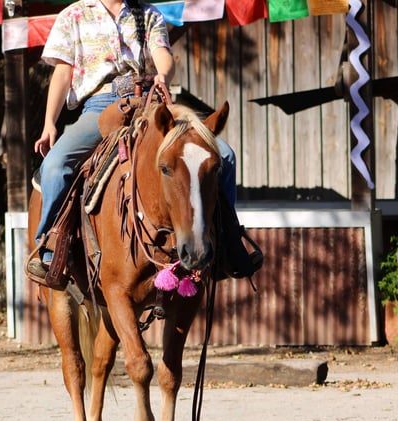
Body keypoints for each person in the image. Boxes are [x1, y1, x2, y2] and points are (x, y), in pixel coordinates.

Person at [27, 0, 242, 281]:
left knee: (223, 155)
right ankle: (50, 248)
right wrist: (48, 124)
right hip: (99, 106)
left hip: (149, 103)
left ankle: (228, 243)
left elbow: (162, 53)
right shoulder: (74, 15)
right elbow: (63, 72)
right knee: (55, 165)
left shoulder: (147, 13)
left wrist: (162, 75)